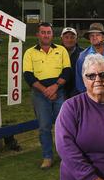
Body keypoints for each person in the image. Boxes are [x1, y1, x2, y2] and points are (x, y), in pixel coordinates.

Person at [23, 22, 72, 169]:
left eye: (48, 32)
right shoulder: (30, 53)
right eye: (43, 32)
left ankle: (66, 156)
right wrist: (45, 90)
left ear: (52, 34)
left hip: (59, 91)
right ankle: (47, 157)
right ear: (38, 34)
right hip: (39, 94)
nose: (45, 35)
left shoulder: (61, 50)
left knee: (62, 126)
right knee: (44, 126)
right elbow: (28, 75)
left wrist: (55, 87)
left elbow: (67, 71)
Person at [75, 23, 104, 93]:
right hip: (92, 95)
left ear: (103, 37)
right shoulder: (83, 56)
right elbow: (80, 79)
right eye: (92, 35)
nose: (94, 37)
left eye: (97, 35)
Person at [61, 27, 82, 98]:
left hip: (77, 90)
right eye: (66, 37)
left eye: (72, 37)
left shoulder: (83, 53)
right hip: (60, 89)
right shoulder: (55, 52)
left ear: (76, 39)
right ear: (62, 39)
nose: (69, 40)